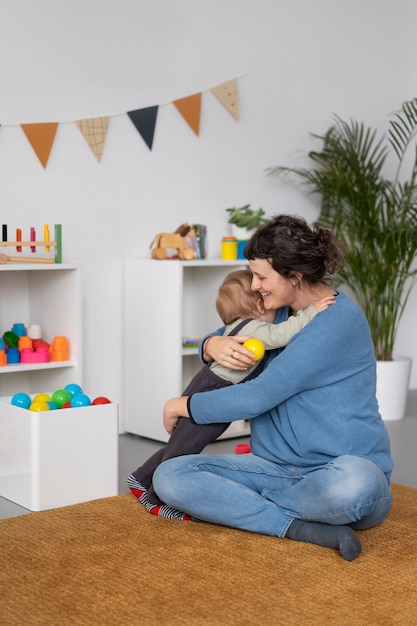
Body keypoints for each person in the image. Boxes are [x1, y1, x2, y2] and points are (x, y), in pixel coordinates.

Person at [152, 214, 393, 561]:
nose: (253, 286)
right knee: (170, 476)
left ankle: (250, 506)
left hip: (340, 472)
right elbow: (235, 330)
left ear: (293, 277)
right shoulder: (275, 312)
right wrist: (210, 345)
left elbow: (259, 395)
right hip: (276, 470)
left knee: (360, 483)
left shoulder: (337, 321)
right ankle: (299, 526)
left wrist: (184, 405)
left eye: (262, 276)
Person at [127, 268, 335, 520]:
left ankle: (140, 478)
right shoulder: (255, 329)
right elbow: (281, 333)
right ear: (259, 307)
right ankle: (156, 498)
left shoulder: (234, 326)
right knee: (183, 450)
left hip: (210, 386)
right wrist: (312, 311)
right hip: (214, 391)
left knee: (184, 443)